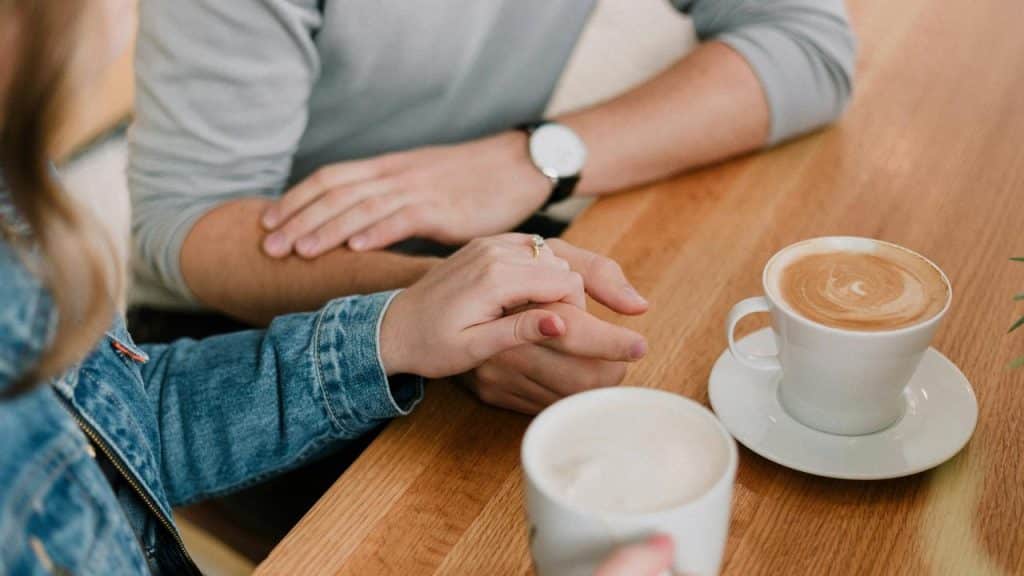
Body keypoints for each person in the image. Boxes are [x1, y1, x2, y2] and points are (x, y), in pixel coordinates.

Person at [0, 0, 646, 573]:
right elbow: (183, 220)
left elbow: (124, 429)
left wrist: (392, 330)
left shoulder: (19, 203)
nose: (128, 17)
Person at [128, 0, 857, 410]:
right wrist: (436, 306)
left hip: (475, 238)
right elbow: (185, 221)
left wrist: (535, 157)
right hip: (239, 319)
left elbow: (807, 44)